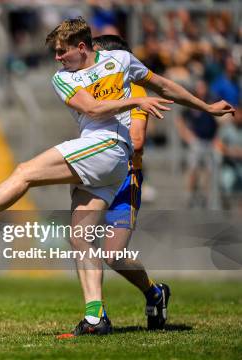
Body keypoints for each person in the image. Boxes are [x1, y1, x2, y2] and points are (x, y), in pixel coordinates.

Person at [0, 17, 234, 336]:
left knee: (24, 173)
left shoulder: (120, 59)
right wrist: (135, 98)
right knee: (81, 237)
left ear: (81, 46)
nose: (58, 58)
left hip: (106, 149)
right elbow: (92, 109)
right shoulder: (63, 78)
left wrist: (204, 107)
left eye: (62, 51)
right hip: (105, 159)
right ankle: (95, 317)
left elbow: (162, 85)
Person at [92, 34, 169, 331]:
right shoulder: (95, 88)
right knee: (81, 239)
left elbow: (136, 141)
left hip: (125, 177)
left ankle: (154, 292)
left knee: (112, 254)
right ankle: (94, 314)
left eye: (98, 55)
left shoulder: (135, 89)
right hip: (99, 174)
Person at [175, 80, 219, 207]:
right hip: (196, 142)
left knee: (208, 171)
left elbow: (218, 122)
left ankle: (206, 198)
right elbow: (180, 120)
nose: (202, 89)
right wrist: (187, 136)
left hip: (209, 142)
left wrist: (216, 137)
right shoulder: (191, 104)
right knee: (193, 170)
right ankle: (189, 197)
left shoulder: (211, 102)